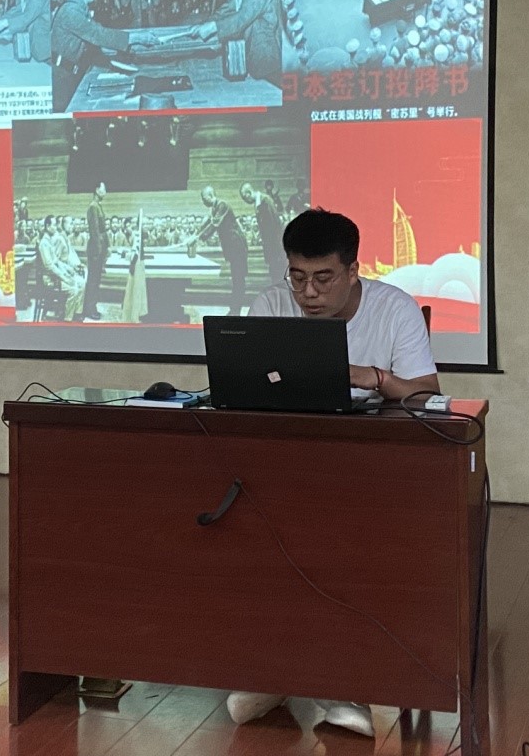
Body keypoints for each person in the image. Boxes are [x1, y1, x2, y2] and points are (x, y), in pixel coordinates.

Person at [226, 208, 439, 737]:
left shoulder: (394, 308)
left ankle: (336, 683)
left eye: (323, 278)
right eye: (297, 277)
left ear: (352, 270)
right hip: (285, 463)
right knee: (247, 535)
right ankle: (277, 670)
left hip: (369, 470)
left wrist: (371, 377)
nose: (308, 293)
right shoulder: (270, 306)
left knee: (336, 542)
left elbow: (425, 394)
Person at [51, 0, 160, 112]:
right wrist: (137, 38)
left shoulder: (79, 9)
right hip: (61, 79)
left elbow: (99, 31)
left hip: (69, 73)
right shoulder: (70, 11)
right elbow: (98, 35)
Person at [185, 186, 248, 315]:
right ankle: (234, 309)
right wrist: (194, 235)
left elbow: (214, 224)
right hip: (232, 247)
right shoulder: (214, 208)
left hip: (237, 246)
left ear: (210, 195)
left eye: (204, 198)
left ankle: (235, 310)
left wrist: (198, 238)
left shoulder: (222, 205)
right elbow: (206, 223)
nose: (203, 201)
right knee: (236, 278)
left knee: (238, 278)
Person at [38, 215, 85, 321]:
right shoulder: (44, 243)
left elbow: (57, 261)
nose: (56, 227)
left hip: (55, 276)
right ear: (47, 226)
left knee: (79, 283)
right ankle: (67, 319)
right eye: (54, 225)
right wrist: (64, 277)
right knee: (74, 289)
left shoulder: (49, 241)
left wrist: (68, 270)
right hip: (49, 279)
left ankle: (76, 314)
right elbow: (49, 266)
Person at [239, 182, 286, 284]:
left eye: (245, 198)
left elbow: (274, 224)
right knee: (274, 274)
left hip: (275, 245)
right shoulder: (259, 203)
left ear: (248, 193)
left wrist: (273, 246)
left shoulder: (265, 201)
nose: (245, 201)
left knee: (278, 274)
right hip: (271, 245)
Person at [82, 182, 109, 320]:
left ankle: (92, 307)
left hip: (99, 248)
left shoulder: (98, 206)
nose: (105, 192)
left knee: (96, 280)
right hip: (95, 249)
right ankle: (89, 309)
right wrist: (99, 251)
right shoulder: (93, 207)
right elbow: (95, 231)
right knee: (93, 280)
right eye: (104, 189)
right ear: (97, 190)